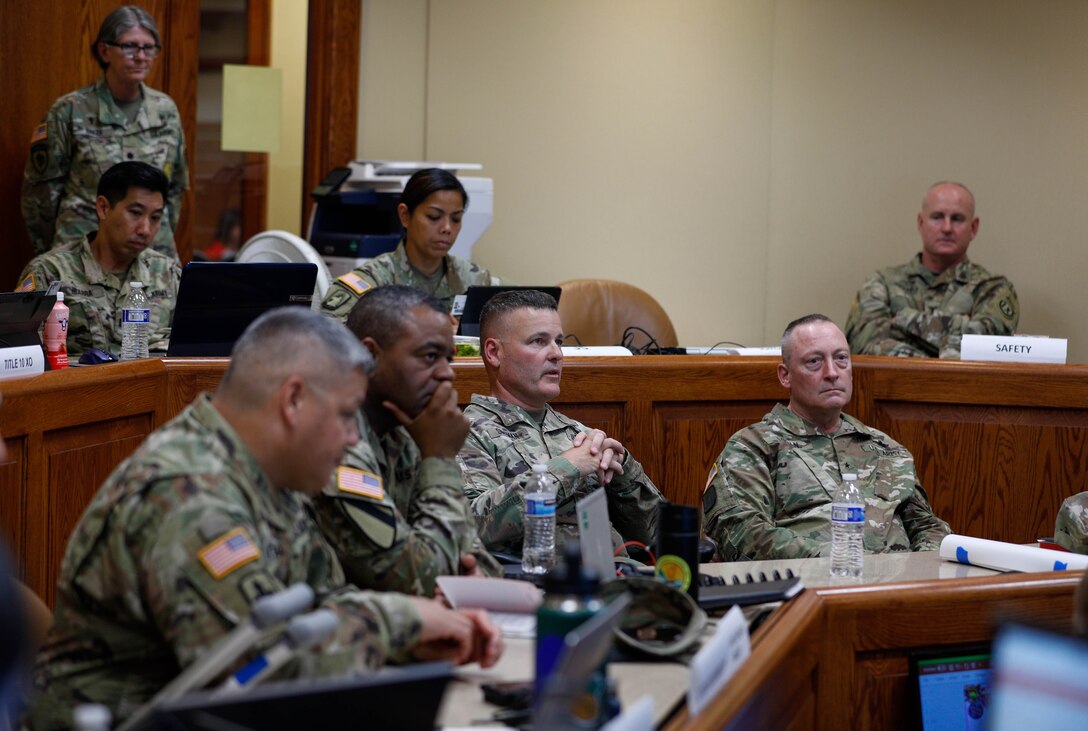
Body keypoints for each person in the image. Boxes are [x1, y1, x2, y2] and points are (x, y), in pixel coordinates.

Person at [25, 308, 501, 730]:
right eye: (346, 415)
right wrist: (403, 622)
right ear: (293, 400)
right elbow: (260, 668)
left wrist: (416, 632)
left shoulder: (269, 474)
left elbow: (322, 601)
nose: (352, 439)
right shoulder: (191, 495)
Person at [703, 314, 951, 561]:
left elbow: (926, 527)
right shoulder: (753, 447)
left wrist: (921, 574)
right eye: (814, 361)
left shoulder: (886, 448)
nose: (832, 372)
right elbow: (741, 532)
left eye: (841, 358)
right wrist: (837, 559)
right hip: (810, 588)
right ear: (785, 375)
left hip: (899, 590)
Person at [312, 286, 501, 596]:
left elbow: (477, 556)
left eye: (448, 358)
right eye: (429, 356)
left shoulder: (411, 429)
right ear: (369, 355)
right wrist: (439, 459)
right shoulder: (335, 444)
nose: (447, 375)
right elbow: (420, 579)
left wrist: (476, 576)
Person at [457, 290, 663, 556]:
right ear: (494, 352)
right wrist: (568, 468)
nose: (556, 354)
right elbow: (468, 526)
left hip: (621, 578)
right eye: (538, 341)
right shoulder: (466, 433)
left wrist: (624, 469)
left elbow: (657, 536)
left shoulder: (580, 434)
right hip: (537, 585)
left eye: (558, 341)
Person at [21, 5, 187, 258]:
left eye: (149, 48)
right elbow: (41, 195)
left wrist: (152, 229)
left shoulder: (166, 110)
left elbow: (174, 189)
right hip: (82, 254)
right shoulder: (69, 110)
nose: (141, 56)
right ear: (104, 50)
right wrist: (56, 256)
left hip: (151, 258)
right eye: (130, 46)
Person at [15, 161, 180, 357]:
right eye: (135, 213)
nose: (145, 229)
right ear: (103, 208)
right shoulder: (50, 272)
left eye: (155, 218)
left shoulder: (169, 274)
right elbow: (22, 355)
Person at [844, 181, 1018, 359]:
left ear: (973, 228)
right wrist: (955, 336)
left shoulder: (993, 289)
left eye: (957, 219)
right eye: (937, 217)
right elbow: (864, 346)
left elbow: (990, 348)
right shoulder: (881, 283)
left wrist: (903, 320)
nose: (947, 228)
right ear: (921, 223)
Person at [320, 168, 498, 321]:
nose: (447, 228)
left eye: (456, 219)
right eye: (434, 217)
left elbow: (520, 307)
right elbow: (329, 333)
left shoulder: (473, 279)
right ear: (405, 216)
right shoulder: (375, 280)